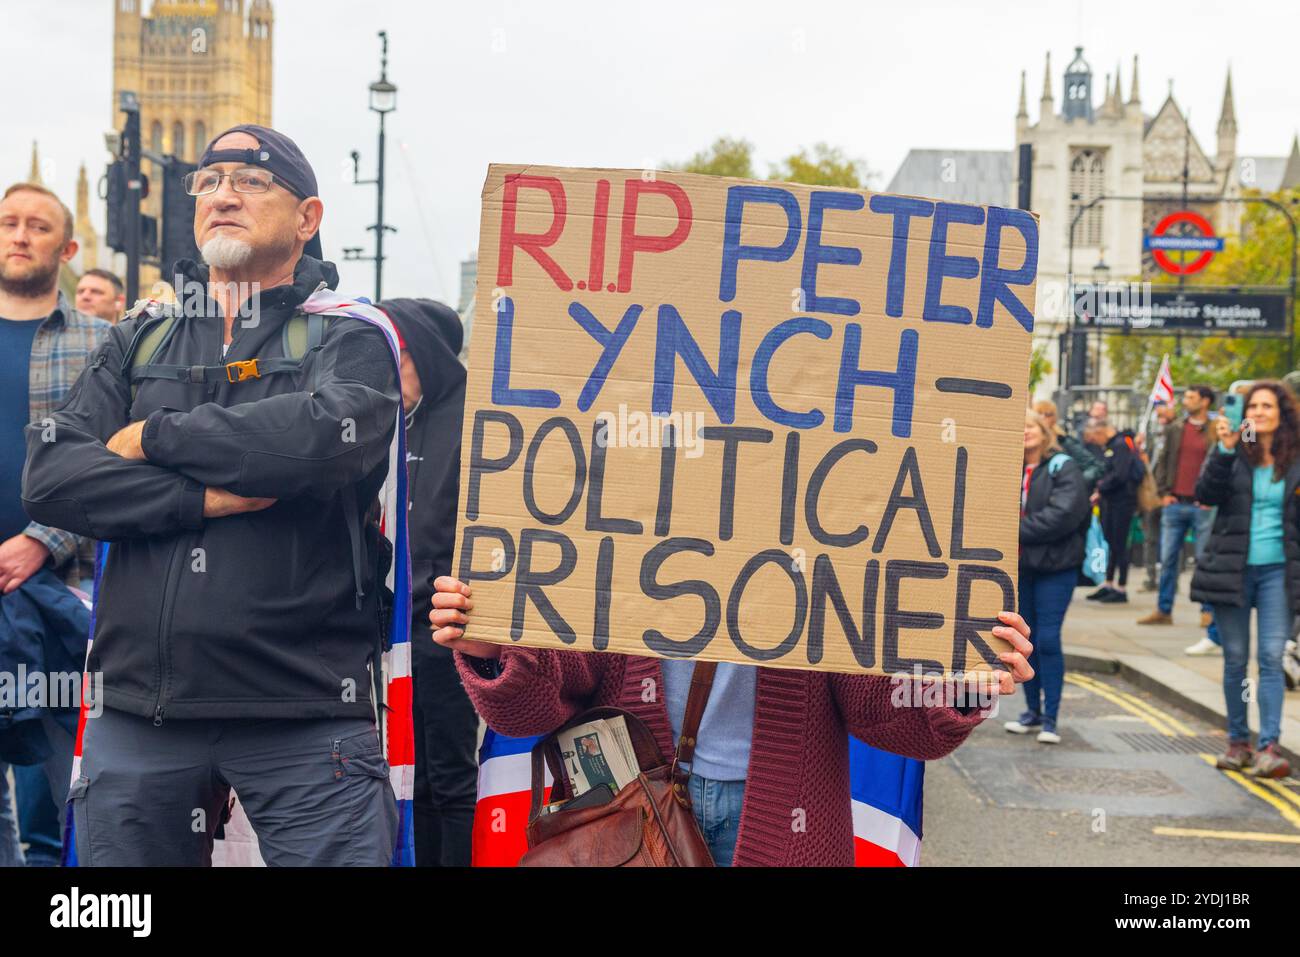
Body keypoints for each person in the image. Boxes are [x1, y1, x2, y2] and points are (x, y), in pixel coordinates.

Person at [22, 125, 403, 865]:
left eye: (252, 182)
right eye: (209, 181)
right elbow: (52, 476)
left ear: (308, 218)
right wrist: (200, 500)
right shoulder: (139, 339)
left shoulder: (349, 336)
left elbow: (327, 437)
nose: (223, 194)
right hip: (139, 712)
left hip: (305, 713)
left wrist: (155, 436)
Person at [426, 585, 1034, 866]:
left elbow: (878, 710)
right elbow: (546, 698)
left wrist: (953, 683)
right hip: (630, 814)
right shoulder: (615, 500)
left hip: (784, 820)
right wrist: (495, 648)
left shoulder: (836, 530)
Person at [0, 181, 110, 865]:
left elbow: (124, 463)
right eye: (8, 222)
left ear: (67, 249)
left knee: (54, 793)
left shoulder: (104, 342)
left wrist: (41, 542)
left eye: (38, 226)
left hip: (60, 596)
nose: (19, 235)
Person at [379, 297, 476, 868]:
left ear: (428, 356)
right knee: (404, 774)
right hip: (391, 632)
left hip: (448, 632)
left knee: (448, 775)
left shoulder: (472, 417)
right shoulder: (396, 417)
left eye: (397, 357)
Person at [1191, 382, 1298, 779]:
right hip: (1232, 570)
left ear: (1282, 413)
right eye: (1253, 405)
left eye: (1268, 405)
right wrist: (1224, 448)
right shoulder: (1236, 452)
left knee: (1271, 658)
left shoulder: (1295, 457)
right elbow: (1205, 494)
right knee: (1235, 660)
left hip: (1278, 572)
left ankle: (1269, 746)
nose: (1259, 411)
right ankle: (1238, 743)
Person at [1005, 411, 1090, 744]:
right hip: (1020, 569)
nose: (1025, 432)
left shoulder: (1063, 467)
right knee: (1025, 643)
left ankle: (1051, 719)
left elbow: (1064, 514)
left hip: (1056, 568)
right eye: (1020, 426)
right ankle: (1032, 713)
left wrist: (1011, 531)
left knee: (1048, 640)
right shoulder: (1009, 468)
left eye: (1031, 426)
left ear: (1045, 432)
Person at [1139, 386, 1222, 654]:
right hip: (1175, 503)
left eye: (1190, 397)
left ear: (1205, 401)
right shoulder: (1175, 428)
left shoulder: (1214, 429)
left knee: (1204, 560)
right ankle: (1164, 610)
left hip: (1204, 506)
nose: (1185, 401)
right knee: (1168, 559)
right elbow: (1163, 460)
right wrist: (1164, 493)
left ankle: (1207, 611)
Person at [1084, 417, 1141, 604]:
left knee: (1120, 543)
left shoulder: (1120, 445)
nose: (1095, 441)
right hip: (1110, 501)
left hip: (1122, 502)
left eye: (1095, 437)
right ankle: (1109, 583)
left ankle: (1121, 587)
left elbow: (1120, 475)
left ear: (1101, 431)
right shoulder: (1112, 445)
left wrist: (1101, 486)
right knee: (1111, 543)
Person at [1033, 398, 1103, 488]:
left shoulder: (1064, 441)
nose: (1042, 417)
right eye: (1039, 413)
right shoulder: (1029, 440)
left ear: (1054, 418)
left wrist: (1075, 484)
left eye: (1048, 414)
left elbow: (1095, 467)